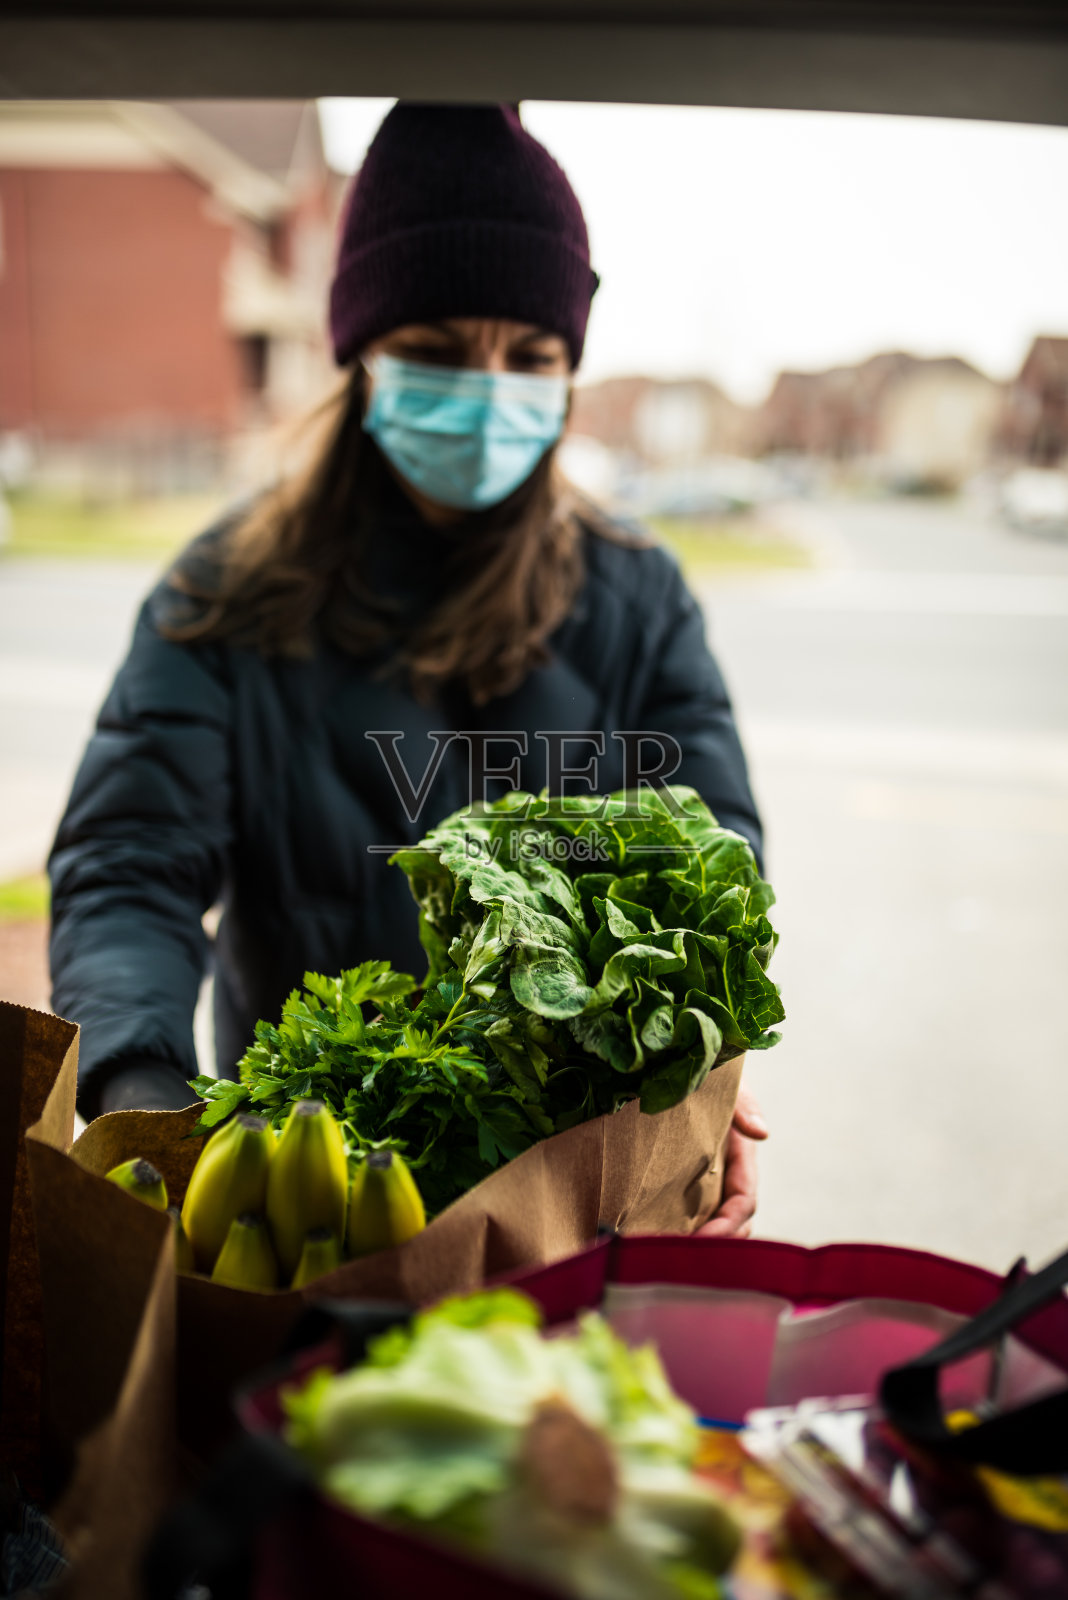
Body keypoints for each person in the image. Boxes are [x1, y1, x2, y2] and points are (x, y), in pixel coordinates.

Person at [48, 102, 767, 1236]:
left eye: (528, 358)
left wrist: (700, 1060)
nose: (486, 391)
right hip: (307, 1194)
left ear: (569, 374)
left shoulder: (638, 599)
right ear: (362, 360)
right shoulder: (226, 595)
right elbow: (130, 862)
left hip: (575, 1198)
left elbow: (712, 859)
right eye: (437, 352)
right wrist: (143, 1096)